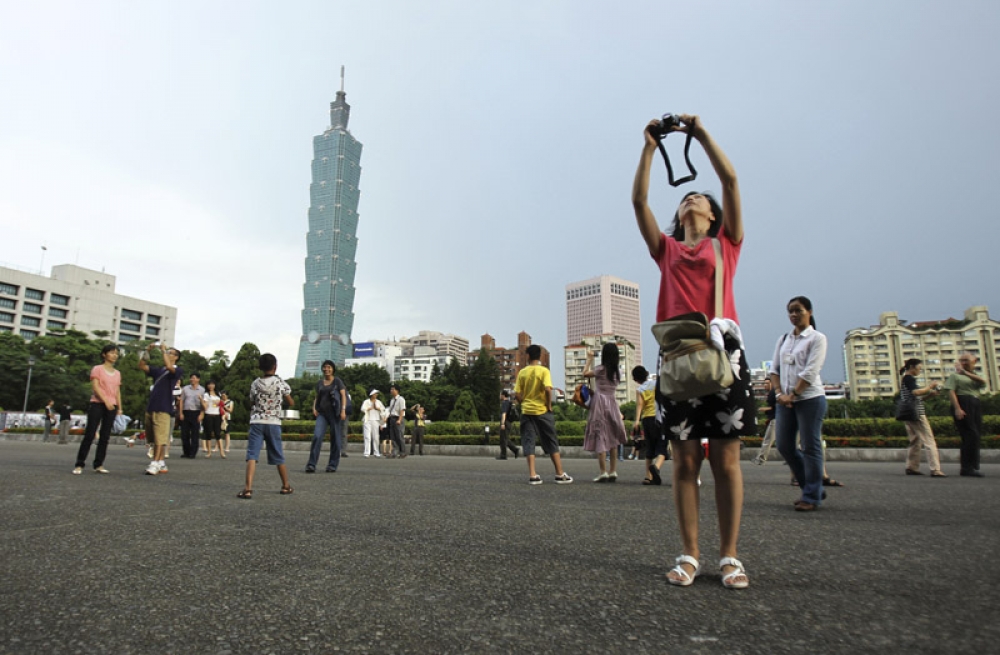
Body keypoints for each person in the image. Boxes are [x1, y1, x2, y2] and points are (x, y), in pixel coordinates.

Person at [632, 113, 753, 589]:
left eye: (699, 197)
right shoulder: (665, 249)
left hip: (724, 357)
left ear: (713, 213)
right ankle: (689, 553)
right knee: (684, 460)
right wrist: (648, 147)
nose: (693, 198)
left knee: (725, 460)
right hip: (679, 359)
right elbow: (639, 199)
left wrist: (698, 135)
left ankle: (729, 556)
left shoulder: (727, 244)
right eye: (686, 196)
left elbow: (730, 178)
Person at [770, 296, 828, 513]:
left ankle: (811, 495)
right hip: (784, 401)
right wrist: (779, 393)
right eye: (790, 311)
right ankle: (813, 487)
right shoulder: (784, 339)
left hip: (809, 399)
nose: (794, 315)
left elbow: (811, 372)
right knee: (784, 446)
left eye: (798, 311)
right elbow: (774, 370)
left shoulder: (817, 338)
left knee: (810, 447)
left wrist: (793, 394)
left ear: (809, 312)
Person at [513, 344, 572, 485]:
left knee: (529, 441)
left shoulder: (522, 372)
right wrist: (548, 405)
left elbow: (516, 393)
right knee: (551, 440)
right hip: (542, 411)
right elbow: (547, 389)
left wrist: (523, 402)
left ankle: (533, 475)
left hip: (527, 411)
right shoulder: (544, 371)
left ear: (527, 356)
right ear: (539, 356)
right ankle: (559, 473)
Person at [238, 353, 294, 498]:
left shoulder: (255, 383)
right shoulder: (280, 382)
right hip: (273, 422)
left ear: (260, 367)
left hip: (257, 421)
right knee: (278, 454)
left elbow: (251, 401)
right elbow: (291, 401)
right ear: (275, 366)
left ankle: (248, 488)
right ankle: (285, 486)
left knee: (252, 455)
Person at [73, 344, 123, 474]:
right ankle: (79, 464)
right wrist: (105, 401)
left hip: (112, 405)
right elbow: (95, 387)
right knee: (90, 434)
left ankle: (99, 464)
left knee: (105, 436)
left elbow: (117, 391)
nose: (114, 355)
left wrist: (120, 408)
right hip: (97, 404)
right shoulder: (97, 369)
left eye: (116, 353)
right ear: (104, 354)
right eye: (112, 353)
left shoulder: (117, 373)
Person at [584, 343, 628, 482]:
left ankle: (603, 471)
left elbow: (585, 373)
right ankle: (613, 471)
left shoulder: (600, 369)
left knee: (600, 435)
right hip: (612, 403)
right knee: (613, 437)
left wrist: (589, 359)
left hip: (599, 403)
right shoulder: (618, 372)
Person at [139, 344, 184, 476]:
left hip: (164, 408)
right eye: (168, 352)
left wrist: (163, 350)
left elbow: (170, 367)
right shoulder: (159, 371)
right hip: (151, 407)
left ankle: (156, 462)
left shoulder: (177, 370)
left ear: (176, 357)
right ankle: (160, 461)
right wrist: (147, 351)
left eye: (171, 353)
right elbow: (142, 366)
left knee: (160, 438)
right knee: (152, 437)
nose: (168, 354)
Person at [898, 359, 946, 477]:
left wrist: (930, 395)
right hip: (917, 414)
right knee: (929, 440)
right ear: (912, 367)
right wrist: (931, 386)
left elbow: (915, 398)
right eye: (919, 368)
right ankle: (935, 469)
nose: (920, 370)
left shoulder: (906, 379)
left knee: (915, 441)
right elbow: (916, 393)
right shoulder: (909, 379)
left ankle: (911, 466)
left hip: (908, 414)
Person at [944, 352, 988, 477]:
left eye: (966, 360)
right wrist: (958, 408)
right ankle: (966, 467)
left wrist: (966, 373)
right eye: (961, 360)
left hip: (975, 402)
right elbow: (951, 391)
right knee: (970, 434)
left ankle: (973, 466)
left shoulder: (975, 375)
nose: (963, 363)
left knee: (976, 434)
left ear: (974, 361)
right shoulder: (955, 376)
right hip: (963, 402)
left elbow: (983, 382)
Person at [306, 360, 346, 473]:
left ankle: (332, 465)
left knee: (335, 439)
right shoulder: (320, 383)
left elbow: (343, 396)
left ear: (333, 369)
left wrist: (343, 410)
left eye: (329, 367)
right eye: (324, 367)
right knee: (317, 436)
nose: (326, 369)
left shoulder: (337, 381)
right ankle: (311, 464)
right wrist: (314, 408)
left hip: (335, 413)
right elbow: (317, 396)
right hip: (322, 413)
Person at [632, 366, 668, 485]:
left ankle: (648, 477)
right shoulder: (656, 384)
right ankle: (656, 467)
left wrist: (636, 421)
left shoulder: (640, 390)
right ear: (646, 374)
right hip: (659, 418)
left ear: (636, 379)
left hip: (647, 419)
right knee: (662, 447)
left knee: (650, 448)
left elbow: (639, 406)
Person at [752, 379, 777, 465]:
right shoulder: (772, 393)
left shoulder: (774, 393)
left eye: (767, 383)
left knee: (768, 439)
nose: (765, 385)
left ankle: (761, 459)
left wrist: (764, 409)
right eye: (764, 383)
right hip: (778, 418)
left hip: (776, 419)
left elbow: (776, 407)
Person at [179, 374, 205, 458]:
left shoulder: (202, 390)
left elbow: (204, 404)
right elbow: (181, 401)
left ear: (198, 379)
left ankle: (193, 453)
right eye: (191, 378)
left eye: (194, 378)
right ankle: (186, 452)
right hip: (186, 412)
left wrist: (201, 414)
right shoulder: (185, 388)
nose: (192, 379)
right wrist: (181, 413)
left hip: (196, 412)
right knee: (184, 434)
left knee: (195, 434)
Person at [202, 380, 224, 458]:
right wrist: (202, 401)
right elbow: (205, 406)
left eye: (212, 384)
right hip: (209, 414)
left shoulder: (218, 394)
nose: (211, 386)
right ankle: (209, 452)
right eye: (209, 384)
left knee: (218, 433)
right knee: (208, 434)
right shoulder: (206, 394)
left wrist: (219, 402)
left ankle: (222, 452)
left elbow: (222, 404)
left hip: (217, 415)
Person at [361, 389, 385, 458]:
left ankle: (376, 452)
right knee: (367, 436)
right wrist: (369, 408)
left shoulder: (379, 402)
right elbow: (362, 409)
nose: (376, 395)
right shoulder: (366, 401)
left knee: (376, 437)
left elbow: (383, 410)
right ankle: (367, 452)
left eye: (376, 394)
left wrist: (378, 408)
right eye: (375, 394)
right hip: (367, 420)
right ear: (371, 394)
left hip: (376, 420)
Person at [496, 391, 519, 459]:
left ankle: (503, 455)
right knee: (504, 438)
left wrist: (502, 423)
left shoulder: (505, 403)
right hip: (508, 422)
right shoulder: (509, 403)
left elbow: (504, 414)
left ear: (503, 395)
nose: (500, 396)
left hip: (505, 422)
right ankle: (515, 449)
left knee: (503, 439)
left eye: (500, 395)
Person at [387, 384, 407, 458]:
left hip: (398, 418)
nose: (391, 391)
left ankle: (403, 452)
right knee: (393, 436)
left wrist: (399, 419)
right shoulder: (392, 400)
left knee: (399, 436)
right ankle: (394, 452)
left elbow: (402, 410)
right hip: (392, 418)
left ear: (397, 391)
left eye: (393, 389)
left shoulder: (401, 399)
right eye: (391, 389)